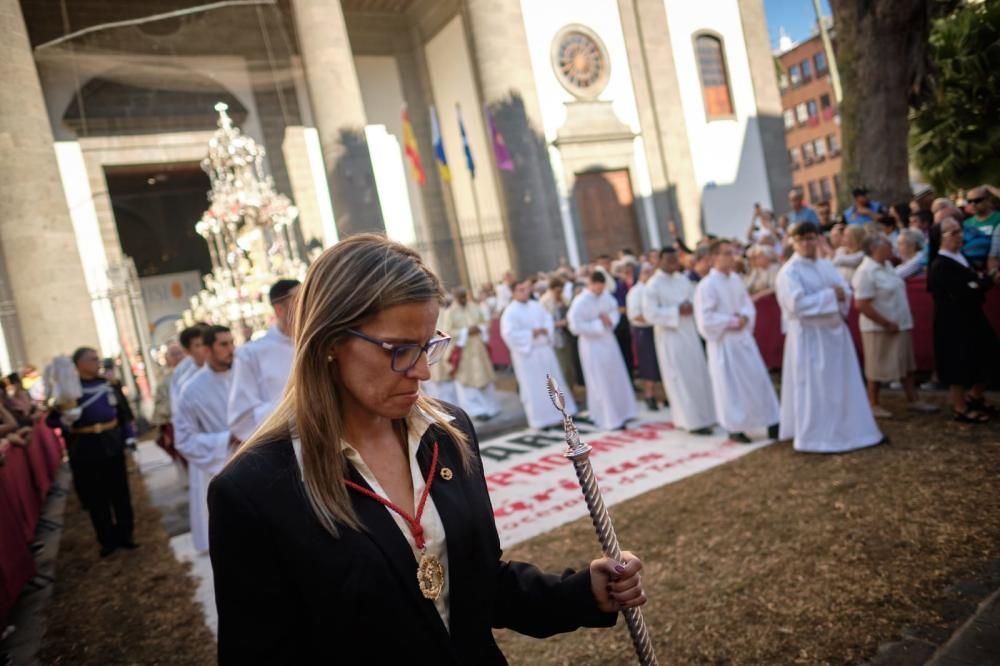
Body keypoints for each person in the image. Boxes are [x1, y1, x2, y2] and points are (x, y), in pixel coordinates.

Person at [208, 235, 645, 663]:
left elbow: (477, 585)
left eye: (428, 346)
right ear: (328, 343)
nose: (422, 372)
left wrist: (582, 593)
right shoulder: (255, 491)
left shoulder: (447, 431)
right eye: (398, 350)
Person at [775, 222, 884, 453]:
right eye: (801, 239)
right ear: (793, 242)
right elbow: (796, 305)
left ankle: (852, 430)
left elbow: (845, 289)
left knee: (843, 384)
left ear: (818, 239)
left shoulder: (826, 265)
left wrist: (839, 295)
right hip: (810, 338)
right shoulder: (789, 272)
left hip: (835, 335)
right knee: (818, 388)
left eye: (811, 238)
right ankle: (819, 438)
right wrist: (829, 295)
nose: (807, 243)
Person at [48, 348, 137, 556]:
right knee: (97, 497)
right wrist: (65, 419)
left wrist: (129, 436)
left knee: (120, 494)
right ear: (79, 363)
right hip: (85, 448)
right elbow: (51, 419)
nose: (98, 362)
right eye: (92, 359)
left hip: (112, 444)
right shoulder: (68, 388)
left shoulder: (108, 384)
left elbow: (124, 413)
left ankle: (126, 534)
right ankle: (106, 539)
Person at [694, 240, 780, 443]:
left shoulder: (735, 280)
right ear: (714, 257)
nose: (732, 257)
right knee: (731, 387)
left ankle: (771, 420)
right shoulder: (707, 286)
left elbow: (747, 304)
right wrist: (733, 321)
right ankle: (736, 427)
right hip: (725, 342)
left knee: (757, 379)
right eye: (727, 253)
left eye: (733, 253)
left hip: (743, 339)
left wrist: (745, 317)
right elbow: (706, 319)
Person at [851, 234, 938, 418]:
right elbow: (861, 304)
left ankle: (913, 399)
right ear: (875, 249)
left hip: (899, 324)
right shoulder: (865, 271)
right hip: (879, 327)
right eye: (888, 246)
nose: (893, 249)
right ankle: (873, 403)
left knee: (906, 364)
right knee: (876, 365)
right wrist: (884, 322)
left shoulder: (888, 266)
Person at [928, 218, 999, 423]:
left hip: (971, 316)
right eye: (954, 233)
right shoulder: (940, 265)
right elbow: (966, 289)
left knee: (989, 354)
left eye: (960, 231)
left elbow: (973, 281)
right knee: (957, 362)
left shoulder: (960, 256)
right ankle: (959, 406)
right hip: (953, 322)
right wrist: (986, 282)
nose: (960, 236)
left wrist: (981, 281)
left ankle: (975, 396)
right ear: (940, 239)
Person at [175, 325, 237, 554]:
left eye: (232, 343)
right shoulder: (191, 390)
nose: (232, 349)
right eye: (224, 344)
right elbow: (184, 439)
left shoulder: (247, 373)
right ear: (208, 350)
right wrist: (226, 440)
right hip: (221, 464)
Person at [642, 248, 716, 435]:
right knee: (681, 378)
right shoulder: (653, 285)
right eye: (669, 261)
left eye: (675, 260)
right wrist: (675, 311)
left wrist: (691, 306)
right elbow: (650, 314)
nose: (673, 264)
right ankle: (691, 421)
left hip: (689, 333)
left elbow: (694, 299)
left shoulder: (682, 279)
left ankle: (707, 415)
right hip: (671, 337)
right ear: (659, 261)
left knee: (698, 374)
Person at [227, 279, 300, 442]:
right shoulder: (250, 354)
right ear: (280, 309)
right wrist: (299, 404)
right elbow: (242, 419)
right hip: (282, 445)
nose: (308, 307)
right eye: (300, 301)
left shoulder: (320, 344)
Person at [500, 278, 578, 428]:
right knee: (535, 388)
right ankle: (542, 420)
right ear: (513, 293)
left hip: (545, 351)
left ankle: (562, 414)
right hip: (528, 355)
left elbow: (548, 320)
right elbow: (509, 334)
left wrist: (546, 329)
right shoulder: (510, 312)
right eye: (520, 290)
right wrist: (530, 334)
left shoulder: (536, 306)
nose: (524, 293)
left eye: (525, 289)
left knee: (554, 383)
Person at [567, 272, 639, 430]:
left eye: (601, 288)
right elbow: (574, 326)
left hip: (608, 341)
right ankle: (607, 417)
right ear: (590, 284)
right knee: (600, 379)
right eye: (596, 288)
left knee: (616, 375)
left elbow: (613, 312)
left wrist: (610, 320)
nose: (599, 291)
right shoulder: (580, 302)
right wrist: (597, 324)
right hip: (591, 344)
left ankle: (625, 411)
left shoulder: (606, 297)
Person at [443, 287, 499, 421]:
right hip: (464, 351)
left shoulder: (474, 307)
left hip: (479, 348)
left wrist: (479, 328)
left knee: (485, 378)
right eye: (460, 297)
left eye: (464, 297)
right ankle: (476, 411)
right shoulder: (450, 313)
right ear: (455, 297)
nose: (463, 299)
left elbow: (485, 322)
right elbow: (447, 332)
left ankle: (491, 407)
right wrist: (466, 331)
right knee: (467, 381)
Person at [626, 264, 661, 410]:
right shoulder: (636, 292)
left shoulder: (653, 289)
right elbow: (635, 315)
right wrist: (654, 319)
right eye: (647, 272)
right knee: (649, 364)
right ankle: (649, 395)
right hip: (644, 332)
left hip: (658, 329)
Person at [151, 341, 187, 477]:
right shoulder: (165, 380)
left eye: (180, 353)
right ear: (168, 358)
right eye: (174, 354)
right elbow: (160, 403)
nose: (178, 357)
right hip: (174, 422)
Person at [539, 275, 577, 388]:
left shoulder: (564, 299)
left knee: (570, 367)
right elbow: (543, 322)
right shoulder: (545, 302)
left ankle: (571, 390)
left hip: (566, 336)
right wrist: (557, 324)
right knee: (562, 367)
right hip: (555, 339)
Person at [170, 325, 208, 414]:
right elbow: (178, 412)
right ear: (187, 350)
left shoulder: (224, 368)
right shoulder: (183, 379)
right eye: (198, 345)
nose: (204, 348)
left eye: (205, 343)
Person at [961, 185, 1000, 272]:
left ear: (988, 200)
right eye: (969, 201)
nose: (973, 204)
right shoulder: (966, 223)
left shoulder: (998, 218)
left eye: (977, 200)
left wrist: (990, 188)